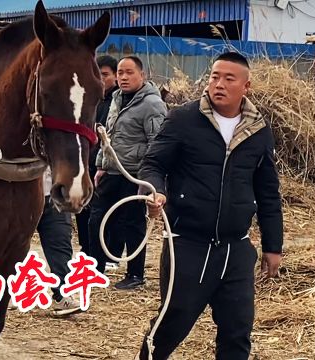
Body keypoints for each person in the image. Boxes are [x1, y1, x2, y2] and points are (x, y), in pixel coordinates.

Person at [137, 52, 283, 360]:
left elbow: (268, 192)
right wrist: (156, 193)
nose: (219, 84)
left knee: (237, 331)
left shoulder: (258, 130)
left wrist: (273, 245)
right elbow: (152, 164)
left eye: (229, 79)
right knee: (170, 326)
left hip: (236, 249)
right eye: (215, 76)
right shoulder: (183, 119)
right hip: (188, 245)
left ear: (246, 86)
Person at [88, 56, 167, 290]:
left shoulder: (153, 104)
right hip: (112, 171)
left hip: (134, 174)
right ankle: (96, 269)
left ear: (142, 75)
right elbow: (108, 136)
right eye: (120, 72)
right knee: (96, 220)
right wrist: (101, 165)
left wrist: (149, 177)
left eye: (129, 72)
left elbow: (158, 143)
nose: (123, 77)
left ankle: (135, 274)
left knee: (131, 223)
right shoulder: (115, 98)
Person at [75, 55, 118, 259]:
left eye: (105, 75)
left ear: (115, 76)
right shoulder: (88, 97)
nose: (101, 79)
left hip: (104, 162)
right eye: (97, 74)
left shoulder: (116, 101)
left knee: (102, 211)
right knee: (83, 209)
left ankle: (106, 252)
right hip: (86, 159)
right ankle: (86, 248)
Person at [38, 168, 82, 316]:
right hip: (20, 194)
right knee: (11, 247)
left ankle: (62, 295)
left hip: (55, 195)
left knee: (61, 242)